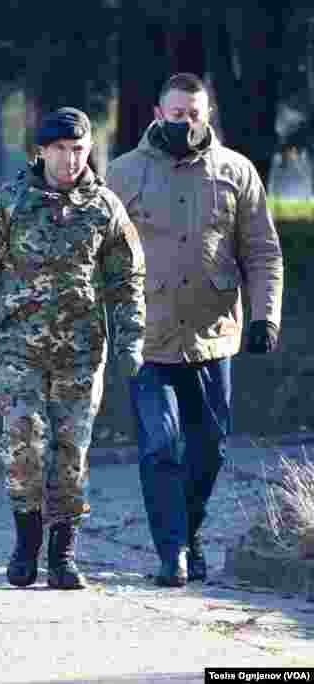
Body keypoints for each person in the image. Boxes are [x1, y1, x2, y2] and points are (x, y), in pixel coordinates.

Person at [107, 73, 284, 587]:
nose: (187, 123)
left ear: (208, 116)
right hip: (147, 338)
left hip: (213, 335)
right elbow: (98, 256)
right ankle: (171, 553)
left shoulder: (236, 171)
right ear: (158, 115)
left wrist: (264, 316)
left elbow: (262, 252)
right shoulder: (121, 174)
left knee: (209, 448)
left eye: (195, 114)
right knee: (160, 446)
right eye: (177, 114)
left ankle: (190, 531)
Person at [0, 107, 146, 590]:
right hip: (18, 349)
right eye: (61, 150)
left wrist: (131, 340)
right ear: (41, 151)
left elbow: (126, 280)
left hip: (81, 352)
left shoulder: (105, 207)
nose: (70, 160)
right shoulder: (9, 202)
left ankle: (63, 553)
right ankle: (26, 543)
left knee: (71, 451)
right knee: (24, 443)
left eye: (79, 150)